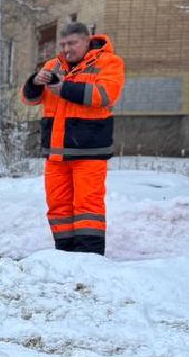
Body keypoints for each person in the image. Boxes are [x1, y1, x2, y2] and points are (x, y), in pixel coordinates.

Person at [21, 22, 125, 255]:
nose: (67, 49)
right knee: (58, 207)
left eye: (72, 43)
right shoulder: (53, 65)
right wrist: (34, 83)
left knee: (88, 207)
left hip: (89, 150)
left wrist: (64, 88)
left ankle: (89, 259)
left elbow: (106, 95)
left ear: (87, 41)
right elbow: (29, 99)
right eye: (63, 44)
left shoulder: (109, 62)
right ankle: (64, 256)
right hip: (56, 152)